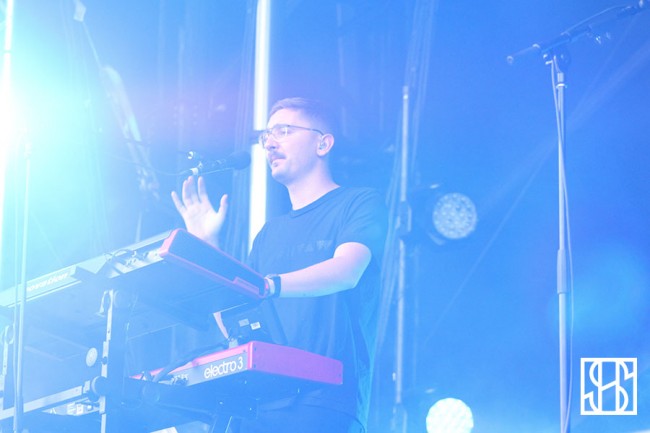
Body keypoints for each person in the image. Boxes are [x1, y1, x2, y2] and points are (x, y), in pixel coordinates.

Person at [171, 97, 387, 433]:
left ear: (323, 143)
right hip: (261, 405)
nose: (270, 143)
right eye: (266, 136)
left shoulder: (358, 202)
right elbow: (236, 325)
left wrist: (269, 285)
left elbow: (347, 270)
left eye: (284, 131)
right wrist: (207, 247)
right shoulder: (269, 233)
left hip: (324, 403)